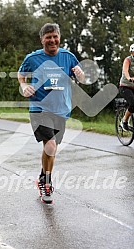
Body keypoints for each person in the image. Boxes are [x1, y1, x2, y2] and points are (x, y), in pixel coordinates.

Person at [18, 23, 84, 203]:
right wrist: (24, 86)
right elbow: (21, 74)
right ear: (42, 40)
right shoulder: (33, 58)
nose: (52, 40)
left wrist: (80, 73)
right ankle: (47, 183)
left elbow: (82, 78)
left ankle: (41, 177)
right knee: (51, 146)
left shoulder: (68, 56)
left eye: (55, 36)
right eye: (48, 37)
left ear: (59, 37)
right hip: (40, 109)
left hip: (61, 110)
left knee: (50, 148)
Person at [119, 43, 134, 131]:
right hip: (125, 86)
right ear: (132, 52)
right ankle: (124, 121)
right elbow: (125, 70)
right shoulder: (128, 60)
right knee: (133, 103)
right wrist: (129, 78)